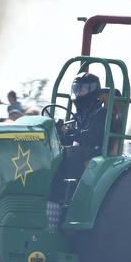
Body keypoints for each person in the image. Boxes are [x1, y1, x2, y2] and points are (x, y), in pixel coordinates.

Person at [49, 72, 107, 203]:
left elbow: (93, 137)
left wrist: (68, 131)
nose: (79, 93)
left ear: (92, 91)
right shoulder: (78, 114)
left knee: (72, 152)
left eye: (83, 90)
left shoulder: (101, 113)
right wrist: (58, 135)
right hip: (81, 150)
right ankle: (52, 194)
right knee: (58, 149)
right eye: (77, 89)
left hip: (97, 150)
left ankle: (74, 195)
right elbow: (70, 139)